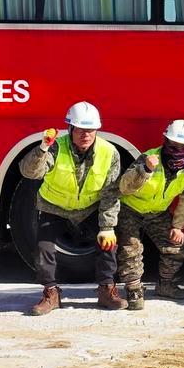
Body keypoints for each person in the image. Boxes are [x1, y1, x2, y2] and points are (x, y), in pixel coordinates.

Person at [19, 101, 124, 315]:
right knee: (43, 249)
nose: (85, 135)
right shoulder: (56, 147)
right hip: (54, 206)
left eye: (90, 130)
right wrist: (42, 149)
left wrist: (107, 226)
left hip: (89, 207)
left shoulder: (110, 153)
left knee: (108, 243)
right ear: (70, 129)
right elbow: (30, 172)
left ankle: (106, 290)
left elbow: (111, 192)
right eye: (80, 130)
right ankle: (51, 294)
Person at [115, 120, 184, 309]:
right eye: (173, 145)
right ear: (164, 140)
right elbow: (124, 187)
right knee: (131, 249)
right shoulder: (148, 157)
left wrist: (178, 227)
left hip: (157, 213)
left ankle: (166, 284)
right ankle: (134, 289)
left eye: (183, 146)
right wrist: (145, 170)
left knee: (175, 245)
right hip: (130, 209)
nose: (178, 149)